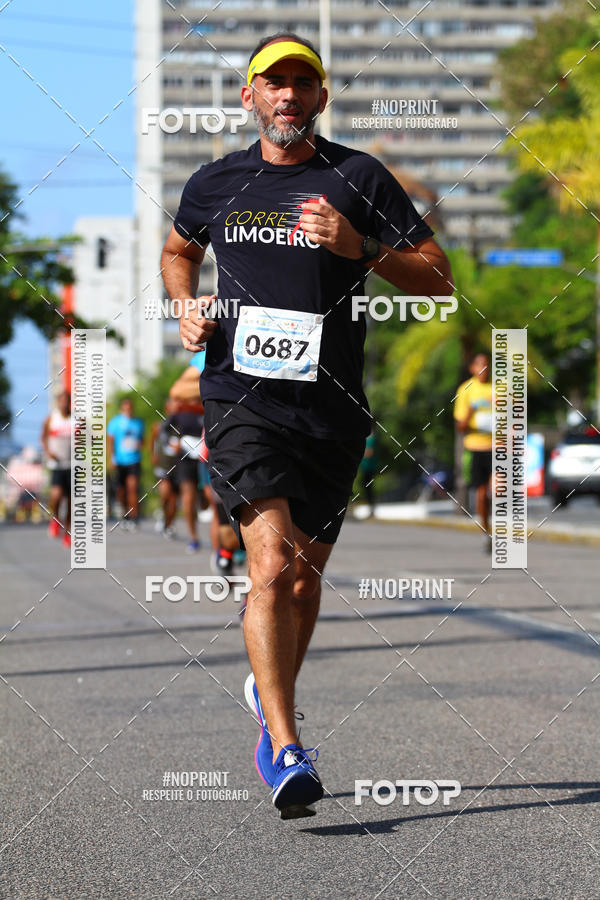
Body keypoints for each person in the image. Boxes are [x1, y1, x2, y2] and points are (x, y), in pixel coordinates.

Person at [161, 32, 452, 817]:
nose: (287, 95)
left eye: (302, 83)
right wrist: (185, 304)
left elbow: (437, 278)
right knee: (269, 561)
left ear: (321, 97)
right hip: (239, 398)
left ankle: (272, 685)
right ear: (249, 97)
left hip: (332, 407)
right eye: (272, 82)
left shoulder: (358, 176)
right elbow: (177, 250)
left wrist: (360, 248)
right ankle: (286, 744)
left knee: (302, 576)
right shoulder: (216, 180)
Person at [454, 352, 493, 551]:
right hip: (475, 447)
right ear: (472, 368)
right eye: (479, 365)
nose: (483, 369)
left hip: (496, 447)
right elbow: (460, 426)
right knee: (481, 495)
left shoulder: (499, 388)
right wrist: (471, 411)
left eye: (486, 365)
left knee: (496, 489)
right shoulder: (466, 389)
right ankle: (488, 533)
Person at [107, 398, 144, 530]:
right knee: (121, 491)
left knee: (132, 487)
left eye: (130, 408)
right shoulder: (115, 423)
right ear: (122, 409)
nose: (128, 410)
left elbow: (142, 440)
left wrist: (138, 444)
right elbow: (110, 441)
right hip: (120, 461)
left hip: (134, 460)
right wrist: (112, 458)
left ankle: (134, 516)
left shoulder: (138, 423)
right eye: (126, 408)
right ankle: (125, 514)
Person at [41, 390, 72, 546]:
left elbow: (88, 437)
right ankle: (55, 518)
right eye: (62, 401)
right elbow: (43, 437)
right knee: (56, 495)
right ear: (58, 403)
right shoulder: (51, 419)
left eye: (67, 401)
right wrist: (48, 452)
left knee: (71, 501)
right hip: (57, 465)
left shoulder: (76, 421)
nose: (64, 404)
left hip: (72, 465)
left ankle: (68, 533)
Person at [150, 398, 181, 539]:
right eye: (172, 406)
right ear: (166, 409)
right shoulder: (159, 425)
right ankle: (163, 514)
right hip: (163, 465)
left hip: (178, 466)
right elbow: (153, 441)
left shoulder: (182, 425)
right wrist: (153, 455)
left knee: (174, 499)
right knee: (165, 494)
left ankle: (169, 524)